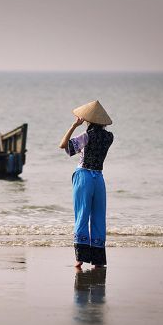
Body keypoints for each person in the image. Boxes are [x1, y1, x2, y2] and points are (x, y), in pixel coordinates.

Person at [59, 100, 114, 268]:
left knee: (82, 215)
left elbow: (63, 146)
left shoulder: (86, 136)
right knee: (98, 217)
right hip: (99, 179)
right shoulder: (109, 137)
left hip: (84, 176)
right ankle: (98, 261)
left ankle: (80, 258)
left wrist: (74, 126)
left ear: (89, 120)